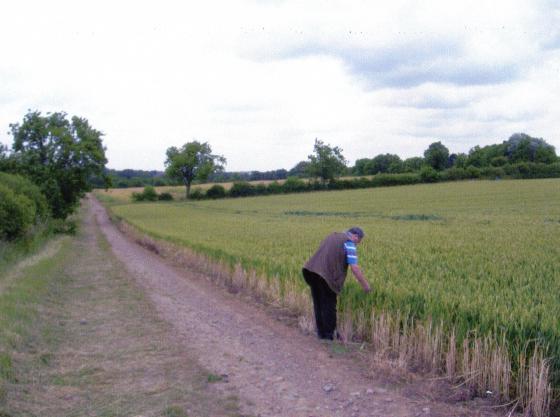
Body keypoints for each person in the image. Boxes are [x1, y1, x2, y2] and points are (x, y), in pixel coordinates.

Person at [302, 227, 371, 340]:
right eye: (359, 241)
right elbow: (354, 268)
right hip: (326, 275)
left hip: (311, 271)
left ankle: (321, 334)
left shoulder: (332, 236)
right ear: (355, 236)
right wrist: (366, 286)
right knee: (329, 305)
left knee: (319, 303)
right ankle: (330, 335)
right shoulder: (349, 243)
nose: (357, 244)